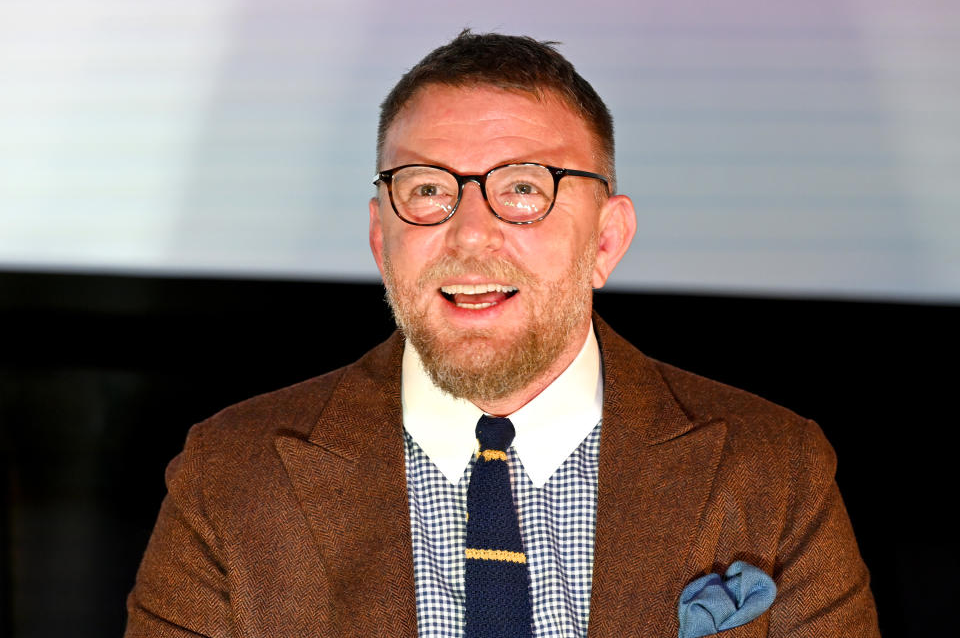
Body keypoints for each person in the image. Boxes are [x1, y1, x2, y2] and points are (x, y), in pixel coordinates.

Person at [125, 31, 880, 637]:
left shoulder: (777, 472)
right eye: (427, 190)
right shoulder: (227, 477)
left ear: (608, 241)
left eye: (523, 189)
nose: (470, 234)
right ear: (381, 239)